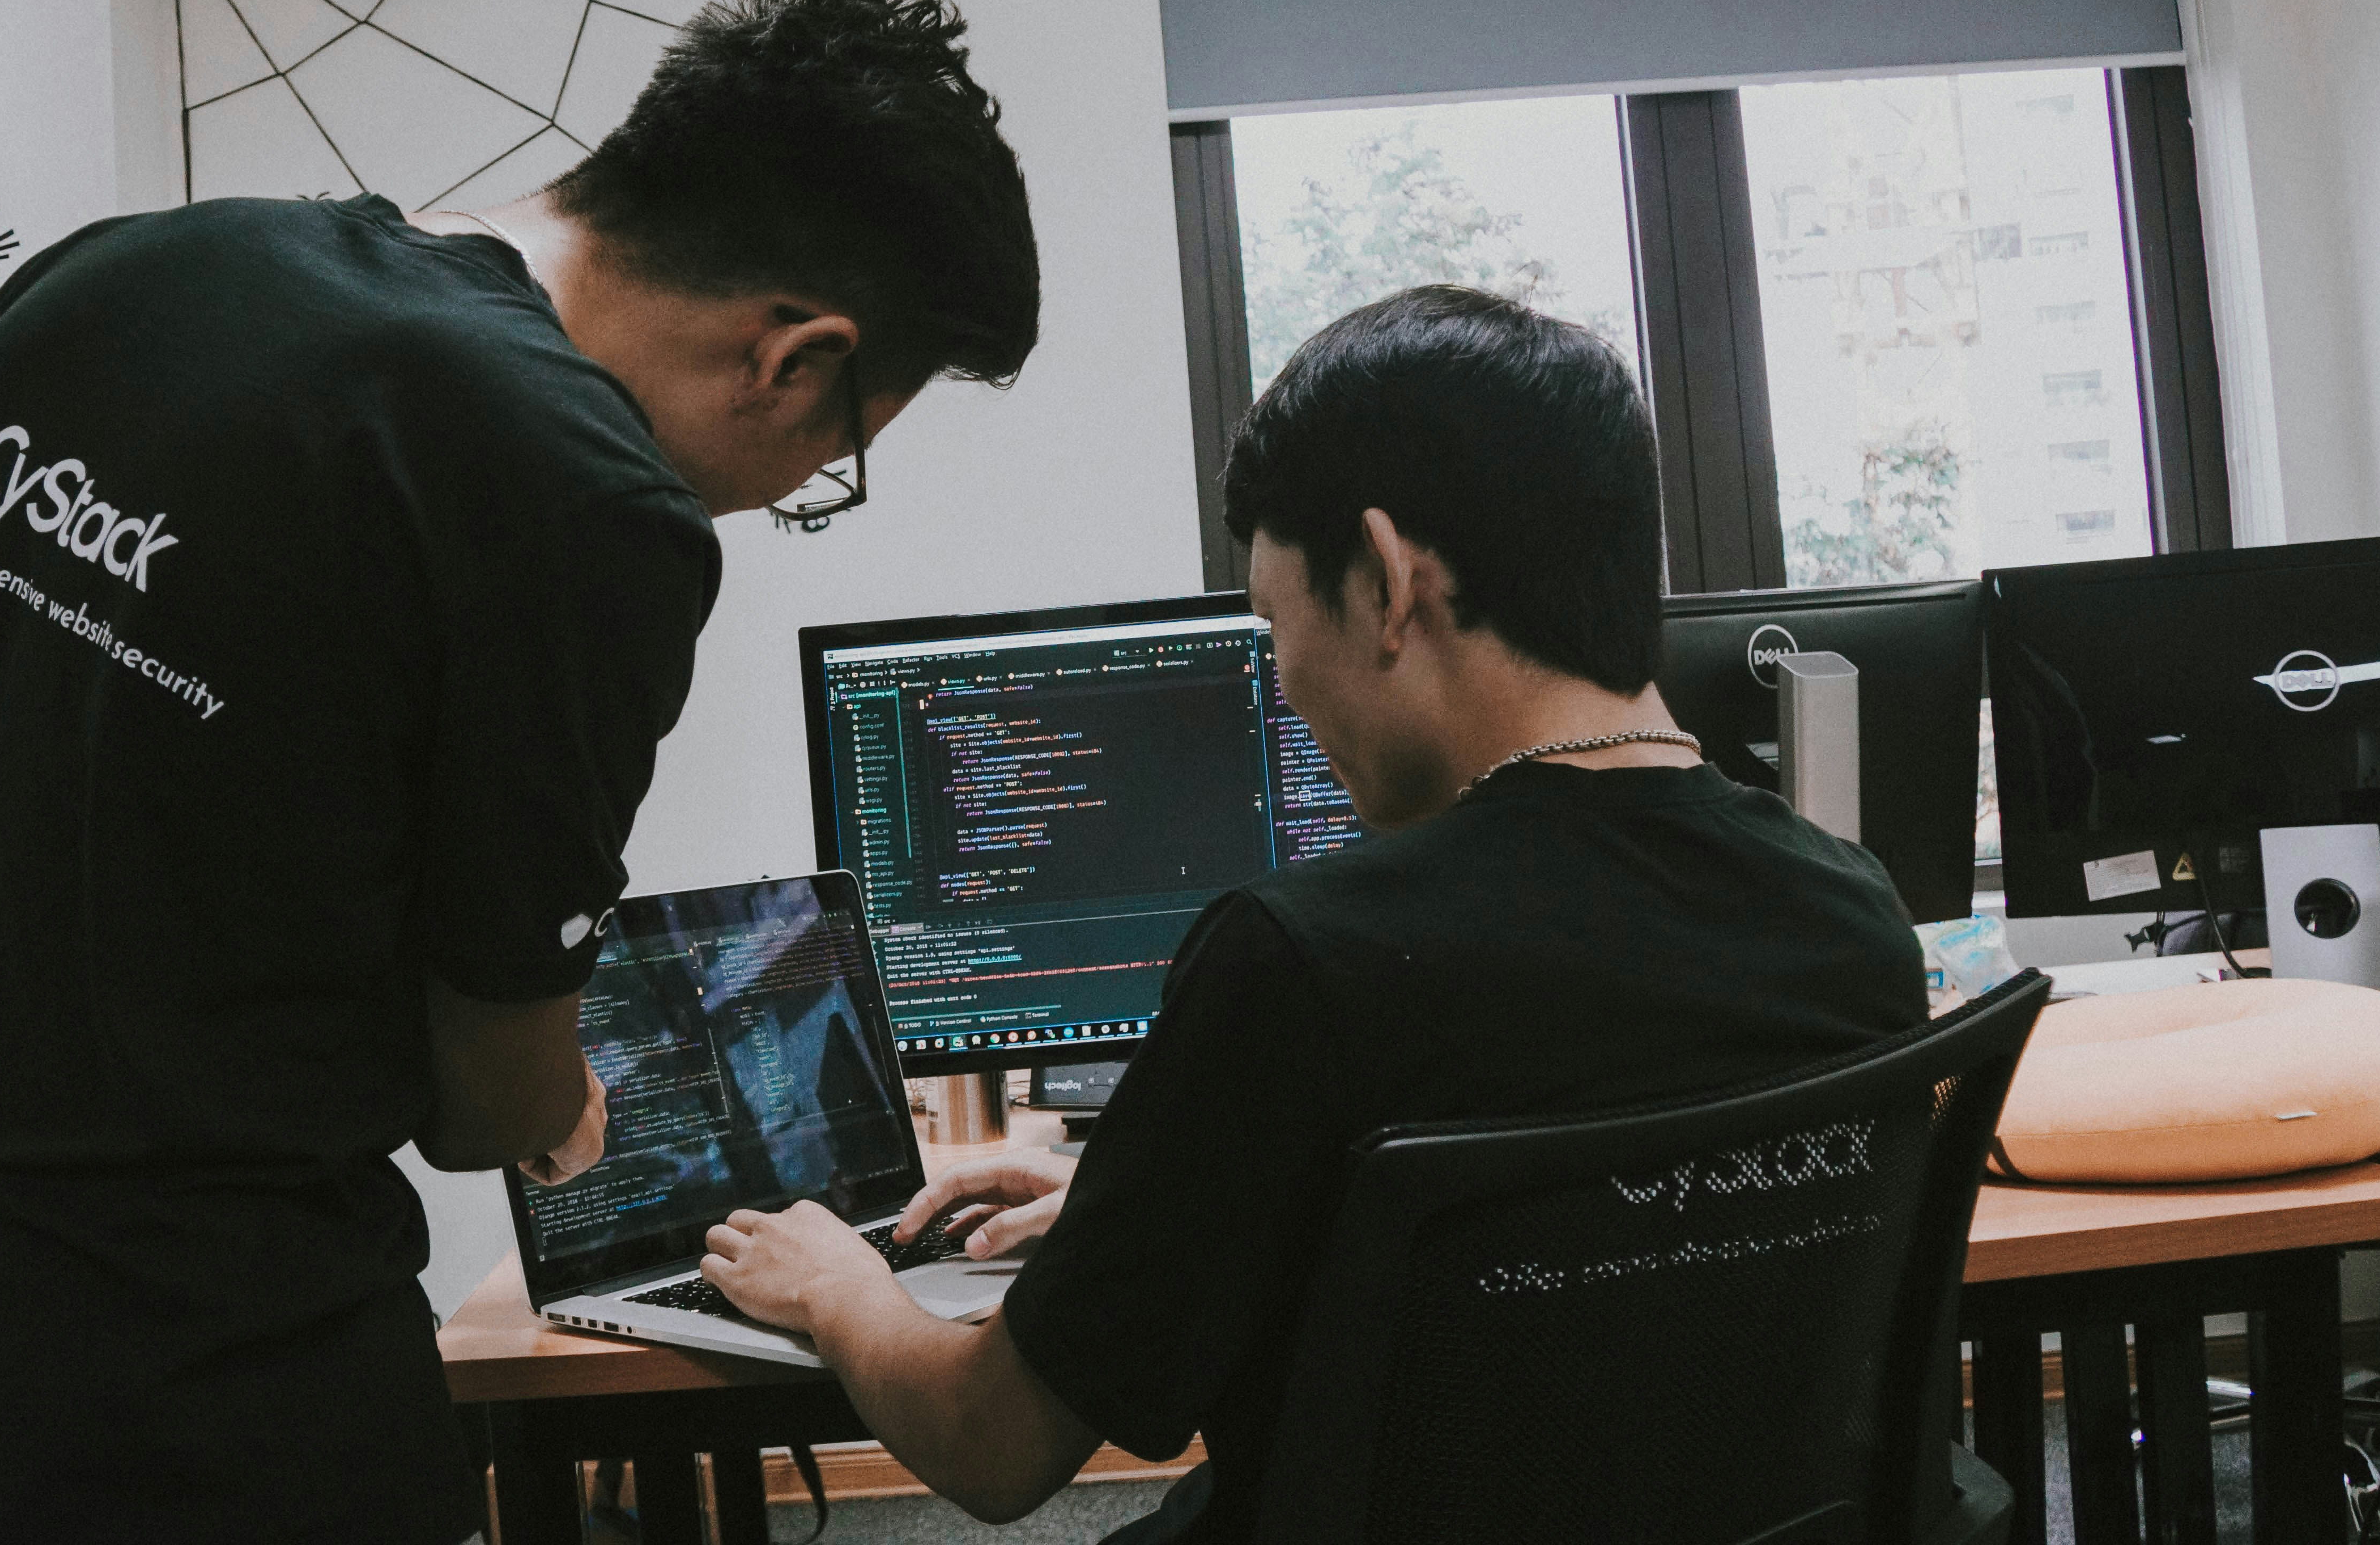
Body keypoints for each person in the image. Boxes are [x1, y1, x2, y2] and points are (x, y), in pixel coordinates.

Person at [0, 0, 1038, 1544]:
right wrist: (566, 1105)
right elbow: (479, 1101)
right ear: (797, 359)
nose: (788, 495)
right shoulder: (584, 494)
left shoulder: (147, 269)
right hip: (218, 1420)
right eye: (835, 458)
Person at [700, 285, 1925, 1539]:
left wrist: (841, 1286)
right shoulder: (1853, 914)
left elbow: (992, 1442)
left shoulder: (1302, 961)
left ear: (1389, 580)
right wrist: (1151, 1203)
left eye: (1274, 622)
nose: (1282, 681)